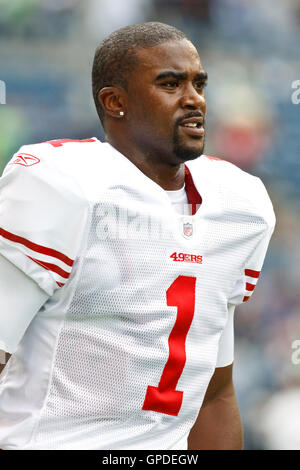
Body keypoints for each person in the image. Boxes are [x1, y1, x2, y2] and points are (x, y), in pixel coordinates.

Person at [0, 22, 275, 450]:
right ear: (115, 102)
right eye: (170, 84)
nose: (194, 99)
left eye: (198, 83)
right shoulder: (64, 187)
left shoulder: (240, 204)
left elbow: (214, 395)